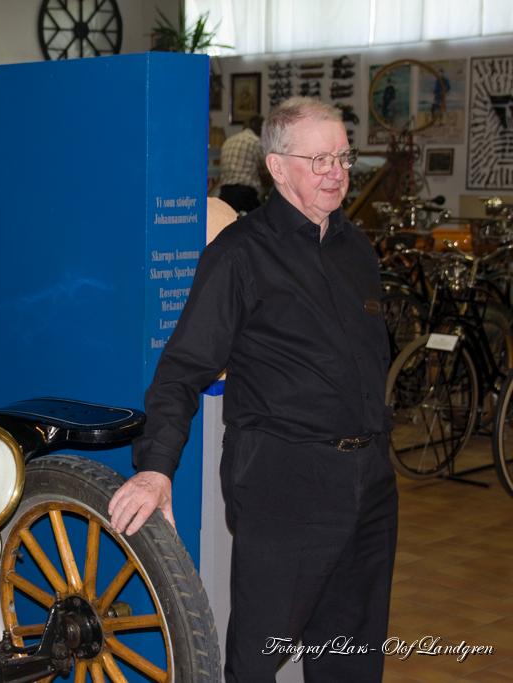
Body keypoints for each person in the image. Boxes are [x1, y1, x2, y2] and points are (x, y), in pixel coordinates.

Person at [108, 97, 396, 682]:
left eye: (343, 157)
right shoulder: (239, 254)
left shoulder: (356, 250)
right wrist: (156, 466)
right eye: (319, 159)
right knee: (259, 659)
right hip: (285, 486)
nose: (335, 172)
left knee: (352, 658)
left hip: (369, 488)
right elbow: (182, 369)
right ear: (276, 166)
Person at [218, 116, 264, 213]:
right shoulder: (255, 142)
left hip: (224, 193)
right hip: (245, 195)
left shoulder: (228, 140)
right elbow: (266, 171)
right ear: (261, 129)